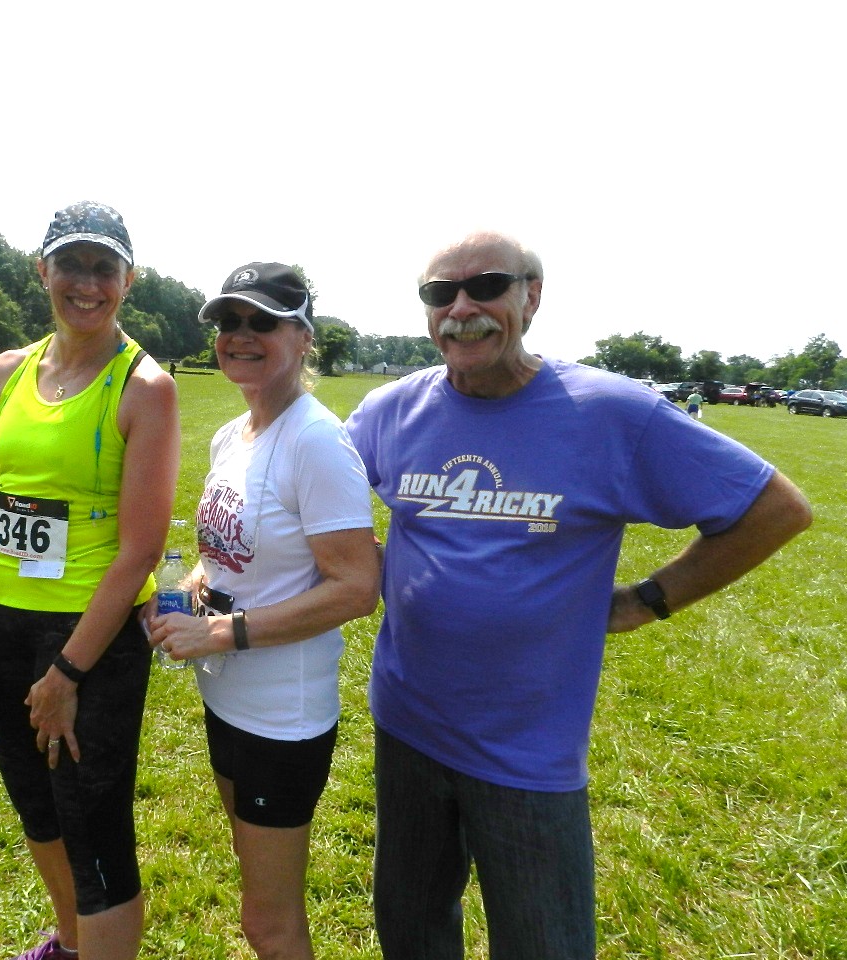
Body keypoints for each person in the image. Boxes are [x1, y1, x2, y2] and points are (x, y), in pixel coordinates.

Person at [344, 231, 812, 960]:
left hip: (527, 751)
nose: (461, 308)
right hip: (405, 722)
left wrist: (648, 599)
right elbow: (316, 502)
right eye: (440, 293)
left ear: (531, 296)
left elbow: (775, 509)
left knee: (544, 943)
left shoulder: (614, 412)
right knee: (411, 928)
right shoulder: (388, 410)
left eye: (486, 286)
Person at [0, 201, 180, 960]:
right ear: (41, 270)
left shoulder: (144, 387)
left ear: (129, 280)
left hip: (86, 638)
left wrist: (68, 672)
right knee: (36, 807)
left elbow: (140, 552)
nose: (87, 283)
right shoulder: (5, 373)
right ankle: (71, 944)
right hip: (0, 625)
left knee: (94, 825)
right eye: (70, 264)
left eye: (105, 268)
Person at [146, 262, 381, 960]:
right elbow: (224, 555)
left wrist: (221, 631)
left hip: (282, 717)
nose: (240, 335)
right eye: (229, 322)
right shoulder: (232, 435)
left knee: (269, 926)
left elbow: (356, 587)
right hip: (226, 699)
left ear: (304, 337)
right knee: (257, 896)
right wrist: (190, 587)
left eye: (262, 322)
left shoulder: (315, 441)